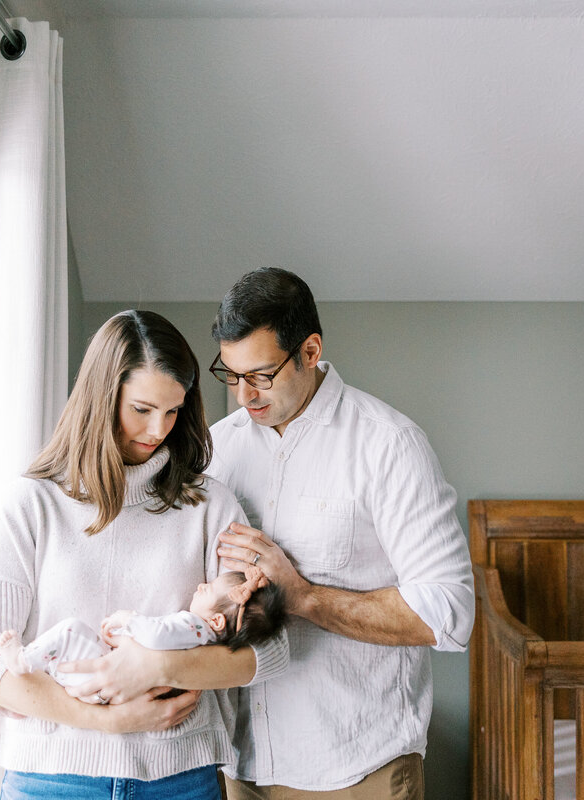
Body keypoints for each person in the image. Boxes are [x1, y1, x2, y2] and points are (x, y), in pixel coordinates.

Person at [0, 310, 288, 800]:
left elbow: (268, 650)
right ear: (100, 397)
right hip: (50, 780)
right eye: (142, 408)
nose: (159, 429)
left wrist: (157, 668)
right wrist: (110, 719)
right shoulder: (28, 505)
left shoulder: (209, 505)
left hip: (180, 780)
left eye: (174, 410)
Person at [205, 267, 476, 799]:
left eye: (260, 375)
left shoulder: (389, 446)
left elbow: (449, 612)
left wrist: (302, 597)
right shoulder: (217, 450)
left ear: (309, 351)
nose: (243, 396)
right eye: (231, 375)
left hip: (359, 770)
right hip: (239, 767)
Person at [0, 568, 286, 719]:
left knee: (70, 633)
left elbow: (155, 635)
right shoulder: (205, 645)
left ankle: (23, 661)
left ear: (217, 622)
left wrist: (128, 619)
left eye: (207, 589)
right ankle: (21, 709)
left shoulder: (193, 626)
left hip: (110, 676)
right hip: (119, 691)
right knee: (64, 664)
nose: (200, 585)